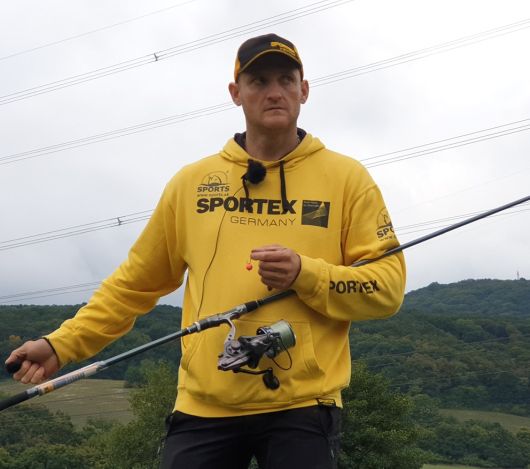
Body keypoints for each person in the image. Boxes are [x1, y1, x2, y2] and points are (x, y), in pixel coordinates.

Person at [6, 33, 406, 468]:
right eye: (258, 81)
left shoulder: (347, 179)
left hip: (304, 404)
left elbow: (387, 289)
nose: (274, 92)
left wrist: (305, 274)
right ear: (236, 93)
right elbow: (133, 285)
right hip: (204, 404)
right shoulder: (192, 183)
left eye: (286, 80)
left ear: (304, 90)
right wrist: (60, 345)